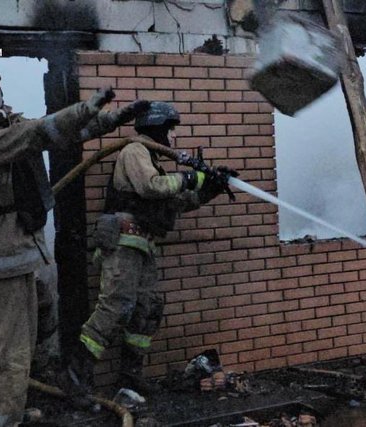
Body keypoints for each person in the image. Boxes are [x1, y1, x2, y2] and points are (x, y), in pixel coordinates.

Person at [0, 56, 149, 427]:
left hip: (17, 252)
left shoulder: (6, 124)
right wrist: (86, 107)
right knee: (4, 350)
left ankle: (11, 410)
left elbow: (60, 135)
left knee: (22, 343)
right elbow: (37, 134)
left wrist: (112, 119)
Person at [78, 101, 235, 395]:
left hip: (144, 245)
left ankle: (130, 375)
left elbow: (174, 203)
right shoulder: (135, 150)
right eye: (171, 129)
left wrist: (209, 189)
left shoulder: (152, 160)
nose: (174, 136)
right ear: (157, 127)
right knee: (116, 306)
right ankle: (77, 376)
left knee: (147, 308)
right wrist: (190, 177)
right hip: (124, 242)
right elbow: (151, 187)